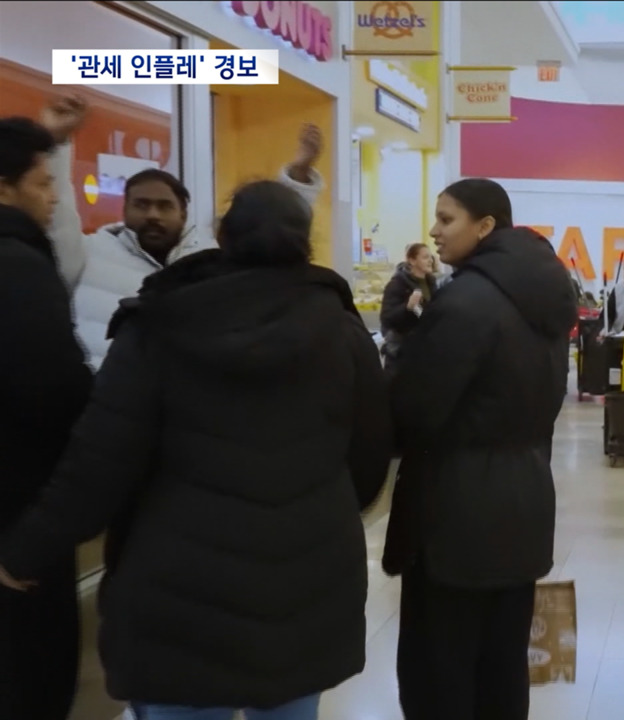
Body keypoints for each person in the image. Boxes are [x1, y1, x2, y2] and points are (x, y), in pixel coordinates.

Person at [0, 180, 393, 720]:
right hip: (306, 586)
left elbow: (98, 461)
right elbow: (371, 460)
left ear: (220, 236)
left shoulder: (158, 324)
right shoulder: (343, 332)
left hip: (174, 593)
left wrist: (29, 547)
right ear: (305, 243)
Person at [384, 178, 577, 720]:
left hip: (455, 512)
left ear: (485, 226)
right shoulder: (543, 296)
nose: (434, 230)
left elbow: (416, 410)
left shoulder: (467, 300)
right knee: (502, 668)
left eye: (446, 219)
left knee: (441, 674)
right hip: (526, 498)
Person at [39, 95, 325, 369]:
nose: (153, 214)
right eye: (142, 205)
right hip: (103, 397)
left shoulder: (210, 258)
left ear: (183, 213)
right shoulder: (91, 253)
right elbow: (59, 217)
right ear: (124, 210)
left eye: (164, 206)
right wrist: (55, 145)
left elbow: (266, 227)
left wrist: (298, 174)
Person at [0, 117, 94, 720]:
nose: (54, 195)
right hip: (19, 514)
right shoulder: (18, 268)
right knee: (30, 680)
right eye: (42, 182)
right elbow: (55, 390)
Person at [380, 242, 440, 372]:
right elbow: (387, 317)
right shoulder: (397, 284)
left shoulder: (431, 283)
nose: (430, 261)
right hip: (400, 352)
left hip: (423, 349)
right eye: (425, 257)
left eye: (431, 257)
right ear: (412, 260)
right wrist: (407, 307)